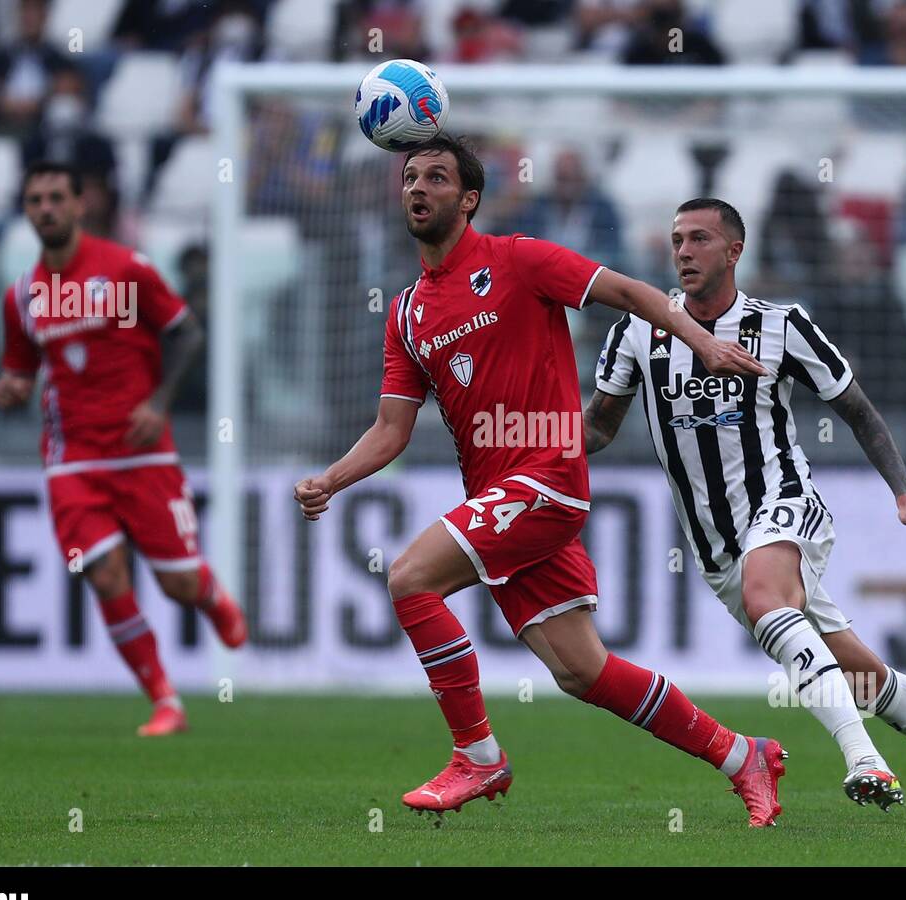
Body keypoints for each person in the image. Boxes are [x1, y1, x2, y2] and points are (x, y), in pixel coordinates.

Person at [294, 134, 790, 826]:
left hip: (548, 476)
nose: (419, 187)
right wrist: (331, 480)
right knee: (582, 671)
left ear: (468, 200)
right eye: (411, 176)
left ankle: (478, 755)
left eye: (437, 177)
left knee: (409, 578)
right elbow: (391, 429)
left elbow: (627, 290)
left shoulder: (519, 260)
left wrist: (701, 339)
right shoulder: (408, 313)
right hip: (499, 498)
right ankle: (742, 756)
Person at [584, 197, 906, 817]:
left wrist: (905, 493)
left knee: (767, 596)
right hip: (715, 546)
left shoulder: (782, 324)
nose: (683, 251)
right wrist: (526, 451)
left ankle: (863, 759)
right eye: (677, 239)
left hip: (786, 501)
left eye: (700, 239)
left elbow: (857, 409)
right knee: (867, 678)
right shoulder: (636, 332)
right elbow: (598, 427)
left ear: (735, 251)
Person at [0, 161, 248, 736]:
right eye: (35, 200)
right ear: (26, 211)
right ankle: (164, 699)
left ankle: (210, 596)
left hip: (144, 454)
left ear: (81, 204)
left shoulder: (126, 270)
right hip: (73, 459)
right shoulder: (22, 298)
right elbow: (19, 370)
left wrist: (158, 402)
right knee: (103, 575)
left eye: (57, 196)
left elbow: (187, 332)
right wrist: (11, 388)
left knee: (176, 584)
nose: (47, 209)